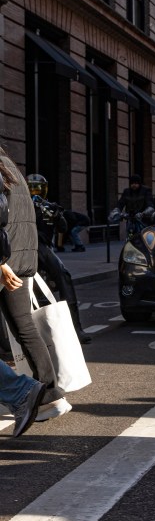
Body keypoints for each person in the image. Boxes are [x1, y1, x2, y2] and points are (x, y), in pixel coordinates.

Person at [0, 149, 71, 422]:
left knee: (23, 329)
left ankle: (34, 395)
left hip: (6, 261)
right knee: (24, 328)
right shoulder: (12, 169)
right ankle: (50, 394)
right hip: (21, 257)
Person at [26, 175, 91, 344]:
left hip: (44, 249)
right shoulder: (22, 205)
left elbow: (63, 228)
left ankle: (76, 328)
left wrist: (57, 215)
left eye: (38, 188)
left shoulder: (48, 206)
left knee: (64, 276)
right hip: (28, 246)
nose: (35, 192)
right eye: (32, 188)